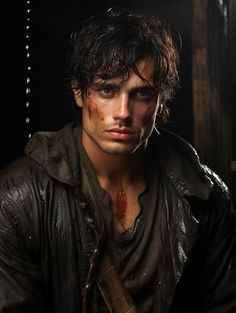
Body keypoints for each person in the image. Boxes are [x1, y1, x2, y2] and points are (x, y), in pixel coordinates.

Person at [0, 6, 235, 313]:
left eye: (141, 94)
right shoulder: (18, 198)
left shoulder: (207, 197)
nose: (123, 112)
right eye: (107, 90)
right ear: (79, 92)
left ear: (160, 100)